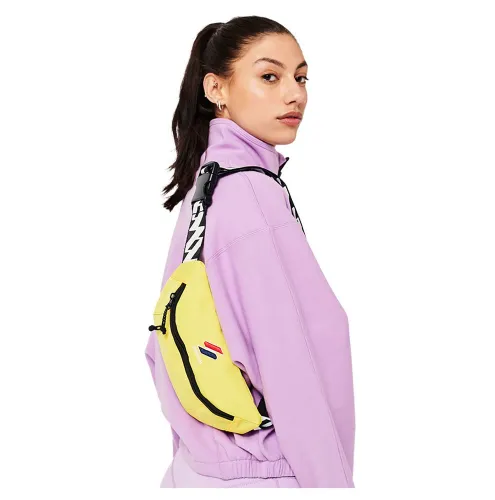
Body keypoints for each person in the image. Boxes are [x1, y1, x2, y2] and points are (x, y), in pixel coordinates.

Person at [144, 15, 356, 488]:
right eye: (270, 76)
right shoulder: (250, 193)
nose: (295, 94)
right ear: (216, 88)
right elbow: (290, 362)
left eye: (301, 78)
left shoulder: (208, 183)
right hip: (265, 474)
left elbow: (164, 344)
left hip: (201, 469)